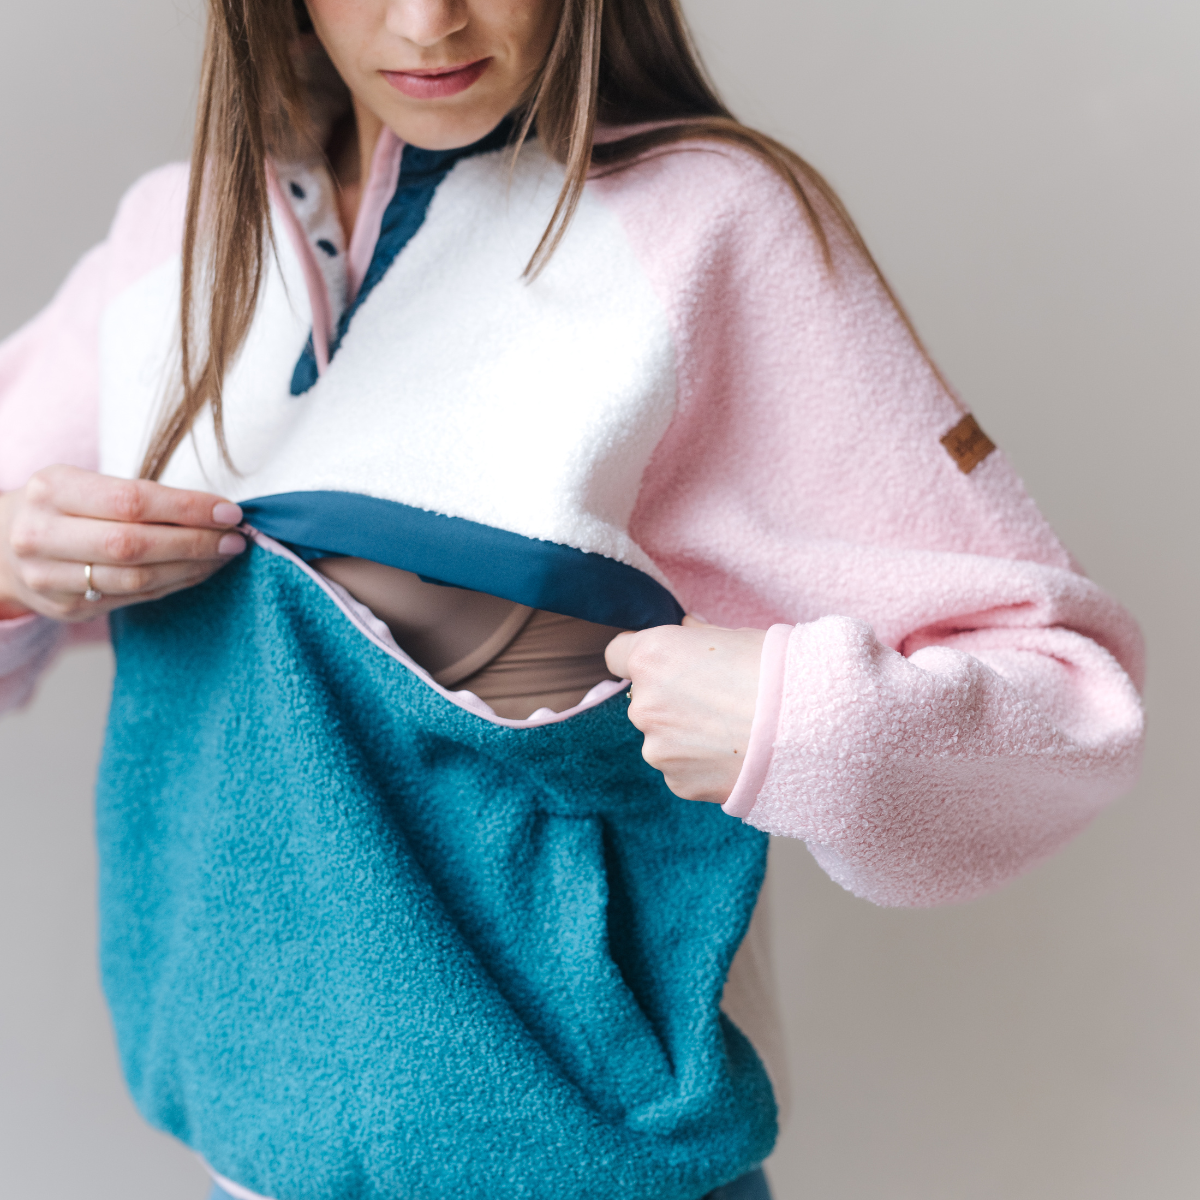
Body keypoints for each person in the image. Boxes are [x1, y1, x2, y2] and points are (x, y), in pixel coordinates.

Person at [0, 0, 1145, 1197]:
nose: (428, 22)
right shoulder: (172, 239)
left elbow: (1072, 705)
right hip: (242, 1166)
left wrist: (793, 717)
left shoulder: (708, 226)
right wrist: (13, 560)